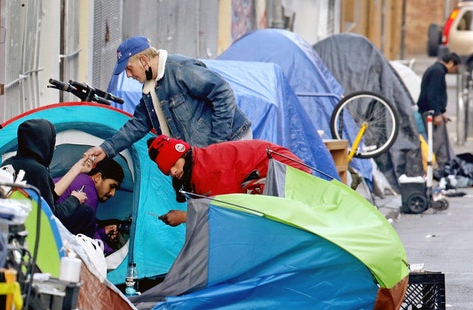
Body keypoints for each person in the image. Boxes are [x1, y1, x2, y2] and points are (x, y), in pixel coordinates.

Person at [83, 36, 251, 167]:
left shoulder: (179, 69)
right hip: (203, 154)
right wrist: (106, 149)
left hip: (232, 141)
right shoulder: (150, 89)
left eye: (129, 68)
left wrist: (217, 146)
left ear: (143, 61)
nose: (128, 75)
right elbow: (138, 124)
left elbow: (223, 93)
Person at [146, 135, 309, 226]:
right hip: (279, 170)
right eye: (168, 170)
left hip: (285, 173)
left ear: (182, 154)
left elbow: (228, 210)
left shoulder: (208, 170)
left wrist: (183, 217)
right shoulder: (198, 164)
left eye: (173, 164)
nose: (173, 172)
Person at [0, 118, 91, 220]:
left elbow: (48, 196)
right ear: (44, 143)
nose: (54, 148)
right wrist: (75, 199)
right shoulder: (37, 171)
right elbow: (51, 217)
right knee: (86, 213)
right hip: (30, 229)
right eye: (52, 143)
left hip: (6, 223)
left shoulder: (8, 163)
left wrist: (77, 167)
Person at [54, 157, 124, 237]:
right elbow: (88, 238)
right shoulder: (88, 190)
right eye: (112, 186)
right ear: (98, 178)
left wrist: (103, 232)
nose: (113, 193)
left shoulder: (80, 179)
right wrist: (109, 249)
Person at [417, 52, 461, 167]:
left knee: (441, 142)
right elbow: (432, 94)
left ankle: (445, 166)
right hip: (430, 112)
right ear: (451, 63)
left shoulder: (437, 70)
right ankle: (426, 165)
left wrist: (441, 113)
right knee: (435, 142)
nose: (455, 70)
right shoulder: (438, 72)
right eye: (455, 67)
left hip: (433, 111)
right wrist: (436, 113)